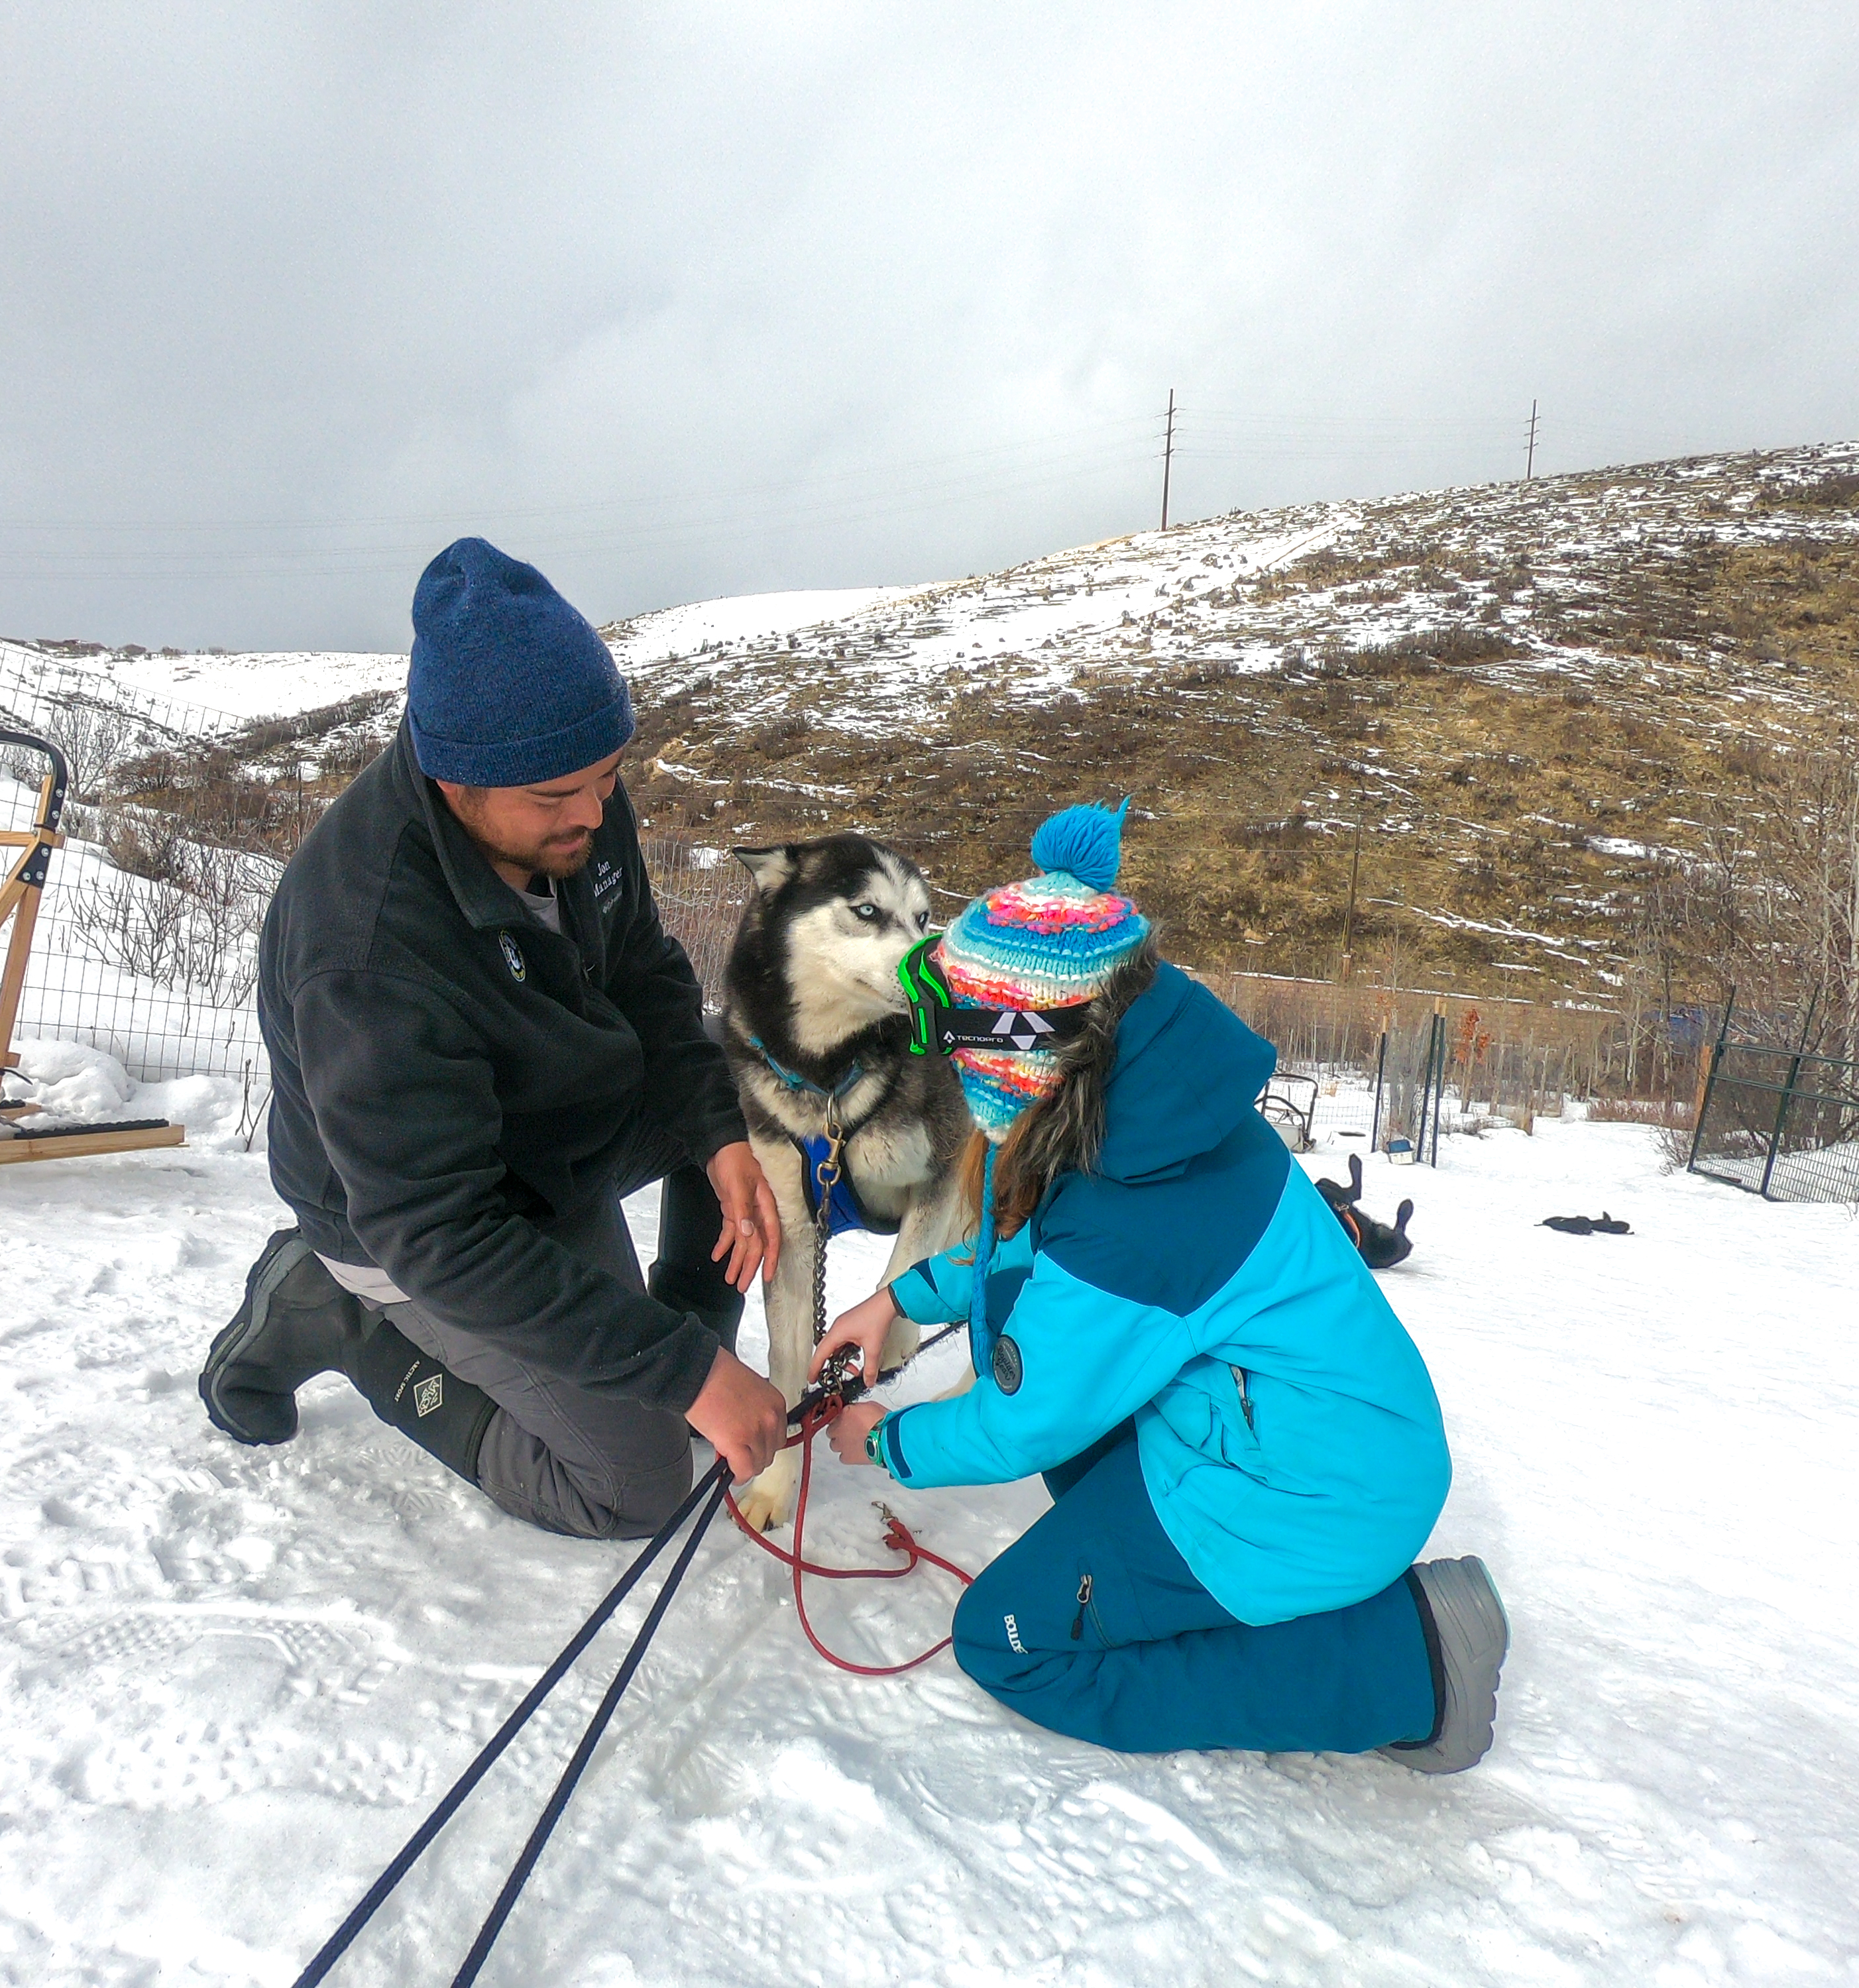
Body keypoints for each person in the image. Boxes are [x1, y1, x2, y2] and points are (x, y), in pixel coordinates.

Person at [809, 801, 1508, 1769]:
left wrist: (882, 1439)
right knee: (1056, 1377)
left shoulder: (1133, 1210)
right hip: (1302, 1442)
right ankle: (1204, 1587)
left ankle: (1405, 1665)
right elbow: (1049, 1269)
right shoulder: (1151, 1117)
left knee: (1010, 1640)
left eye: (957, 1031)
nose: (952, 1059)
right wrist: (898, 1298)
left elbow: (1026, 1418)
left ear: (1021, 1043)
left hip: (1308, 1492)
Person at [198, 537, 789, 1539]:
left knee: (741, 1086)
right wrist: (683, 1378)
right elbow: (440, 1232)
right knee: (629, 1491)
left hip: (551, 1132)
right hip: (423, 1225)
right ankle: (336, 1313)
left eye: (607, 779)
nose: (596, 815)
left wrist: (720, 1134)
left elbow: (646, 969)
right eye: (559, 798)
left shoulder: (564, 787)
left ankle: (679, 1348)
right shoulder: (370, 948)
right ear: (454, 778)